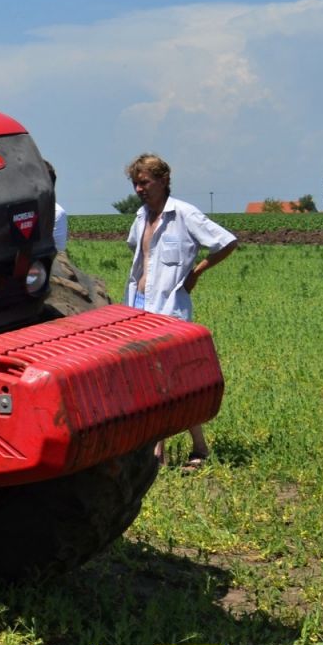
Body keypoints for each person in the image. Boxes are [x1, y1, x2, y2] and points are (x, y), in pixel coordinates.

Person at [124, 153, 238, 470]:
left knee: (170, 382)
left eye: (144, 182)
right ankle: (172, 450)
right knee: (153, 382)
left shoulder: (184, 214)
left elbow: (227, 242)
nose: (139, 189)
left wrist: (195, 273)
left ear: (163, 180)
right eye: (135, 183)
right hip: (138, 308)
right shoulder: (140, 216)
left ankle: (175, 451)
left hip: (169, 311)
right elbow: (138, 252)